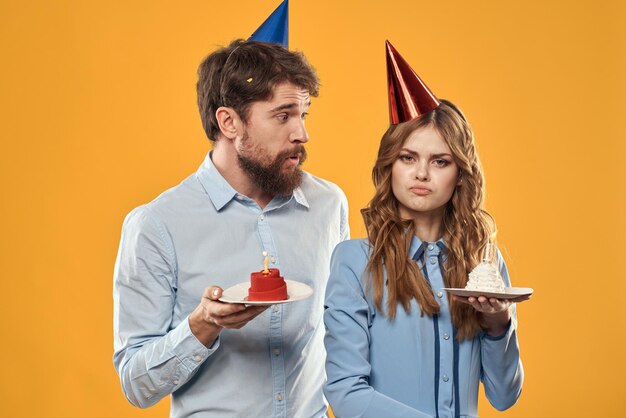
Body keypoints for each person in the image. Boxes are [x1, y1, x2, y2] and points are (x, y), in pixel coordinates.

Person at [113, 15, 349, 418]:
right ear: (228, 122)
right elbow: (135, 383)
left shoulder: (328, 205)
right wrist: (203, 324)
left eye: (304, 114)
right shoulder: (157, 225)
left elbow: (342, 332)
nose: (302, 134)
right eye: (283, 115)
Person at [323, 41, 528, 418]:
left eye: (440, 161)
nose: (421, 173)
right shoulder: (355, 263)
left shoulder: (483, 262)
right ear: (390, 167)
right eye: (408, 158)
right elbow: (345, 392)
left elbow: (503, 396)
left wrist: (500, 324)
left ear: (459, 174)